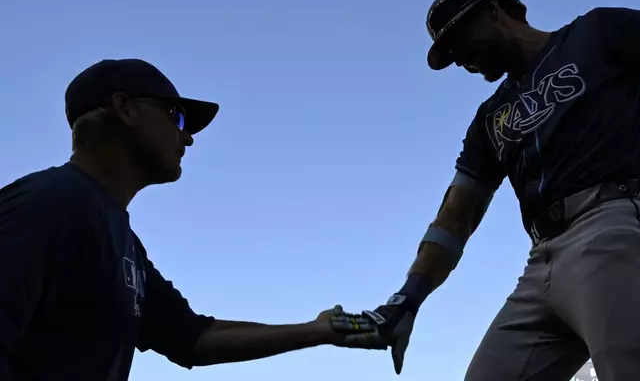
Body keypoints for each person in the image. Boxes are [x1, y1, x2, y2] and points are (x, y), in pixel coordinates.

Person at [330, 0, 640, 380]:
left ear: (493, 11)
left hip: (610, 222)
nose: (459, 59)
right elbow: (456, 214)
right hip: (540, 262)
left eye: (458, 38)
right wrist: (407, 299)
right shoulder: (490, 117)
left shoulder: (596, 32)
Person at [0, 58, 372, 380]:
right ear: (125, 109)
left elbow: (193, 338)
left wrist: (319, 330)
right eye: (176, 116)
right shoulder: (45, 205)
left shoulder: (126, 246)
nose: (188, 138)